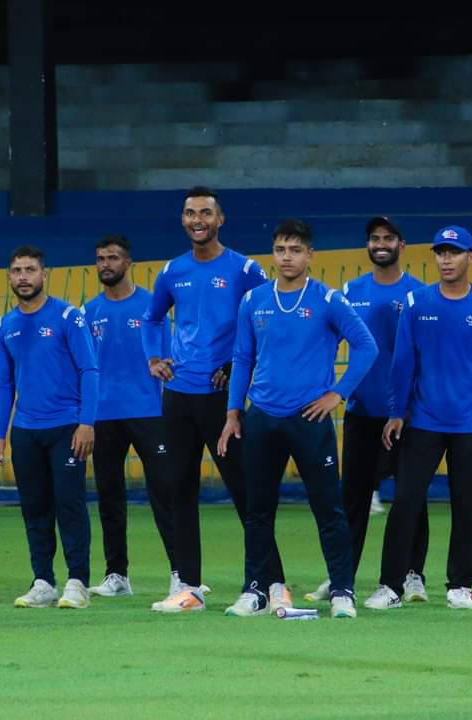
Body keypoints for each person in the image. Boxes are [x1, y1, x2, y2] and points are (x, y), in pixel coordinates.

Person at [217, 219, 377, 618]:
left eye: (295, 250)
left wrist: (337, 394)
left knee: (328, 509)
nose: (287, 257)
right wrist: (233, 412)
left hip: (308, 420)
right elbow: (242, 358)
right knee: (257, 510)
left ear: (310, 255)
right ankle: (255, 589)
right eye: (281, 250)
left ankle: (342, 590)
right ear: (273, 254)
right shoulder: (253, 300)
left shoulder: (327, 299)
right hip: (262, 419)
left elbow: (366, 346)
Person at [141, 186, 284, 613]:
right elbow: (151, 321)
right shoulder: (172, 271)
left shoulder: (245, 270)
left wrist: (239, 365)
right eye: (190, 213)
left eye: (205, 212)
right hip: (179, 398)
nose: (197, 219)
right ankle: (189, 588)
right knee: (178, 490)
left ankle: (269, 583)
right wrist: (154, 358)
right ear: (183, 220)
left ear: (220, 219)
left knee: (246, 493)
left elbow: (267, 320)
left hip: (225, 401)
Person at [366, 225, 472, 611]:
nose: (446, 259)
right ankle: (391, 586)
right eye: (441, 252)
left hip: (470, 425)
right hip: (424, 422)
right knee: (406, 503)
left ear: (471, 256)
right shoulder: (416, 303)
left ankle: (459, 586)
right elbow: (403, 362)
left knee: (466, 506)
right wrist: (397, 412)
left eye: (454, 252)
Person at [305, 216, 427, 603]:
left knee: (412, 500)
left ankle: (412, 576)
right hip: (361, 414)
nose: (380, 243)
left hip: (407, 416)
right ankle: (342, 577)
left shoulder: (417, 294)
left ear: (402, 245)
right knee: (351, 502)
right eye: (374, 238)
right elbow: (323, 341)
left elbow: (424, 355)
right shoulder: (349, 291)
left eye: (388, 237)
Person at [0, 245, 99, 610]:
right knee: (34, 508)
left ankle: (77, 582)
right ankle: (43, 581)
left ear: (44, 274)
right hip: (25, 431)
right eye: (17, 270)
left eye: (30, 270)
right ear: (9, 277)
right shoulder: (4, 325)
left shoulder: (69, 316)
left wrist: (87, 423)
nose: (23, 276)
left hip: (67, 427)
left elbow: (90, 370)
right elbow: (4, 384)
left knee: (69, 504)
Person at [82, 235, 177, 598]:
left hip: (150, 412)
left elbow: (169, 360)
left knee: (165, 495)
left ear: (129, 262)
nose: (105, 264)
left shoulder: (152, 307)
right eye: (100, 258)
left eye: (113, 258)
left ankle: (180, 572)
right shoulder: (88, 312)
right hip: (104, 416)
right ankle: (116, 575)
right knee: (109, 497)